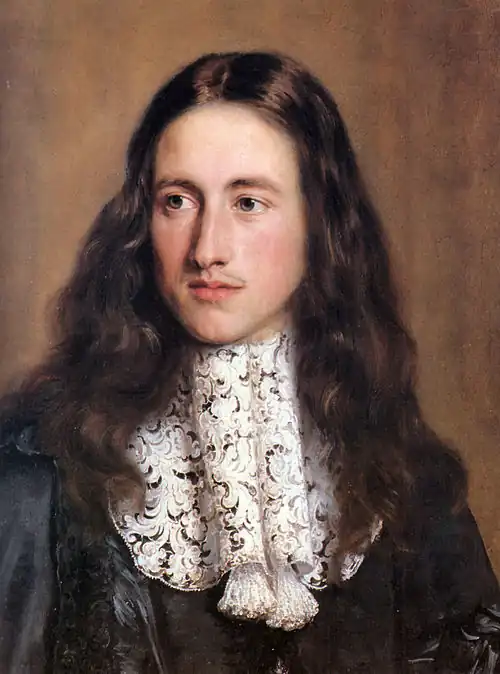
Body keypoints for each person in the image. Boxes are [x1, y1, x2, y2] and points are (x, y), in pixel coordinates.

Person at [0, 50, 498, 674]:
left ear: (319, 223)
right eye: (177, 201)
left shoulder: (405, 476)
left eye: (248, 203)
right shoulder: (36, 473)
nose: (207, 249)